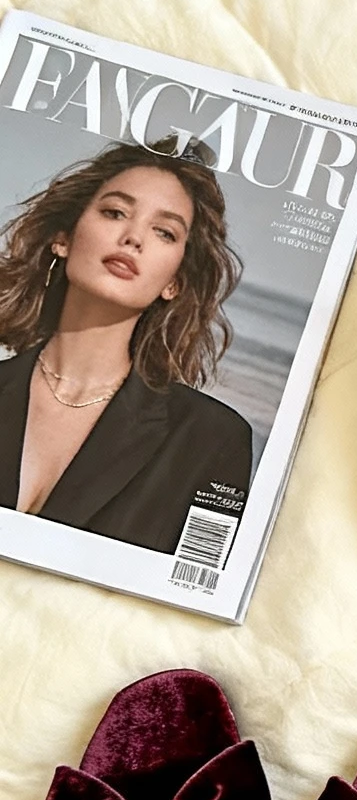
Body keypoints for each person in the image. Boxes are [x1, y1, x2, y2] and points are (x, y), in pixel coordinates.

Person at [0, 136, 252, 555]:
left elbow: (198, 590)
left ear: (175, 281)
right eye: (115, 212)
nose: (133, 237)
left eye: (164, 232)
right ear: (63, 237)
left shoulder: (213, 440)